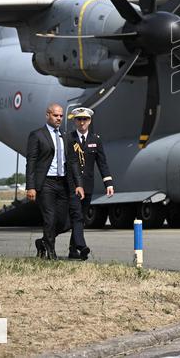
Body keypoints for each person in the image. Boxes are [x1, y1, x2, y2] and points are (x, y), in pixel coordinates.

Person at [26, 103, 84, 259]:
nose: (59, 118)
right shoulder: (37, 135)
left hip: (63, 183)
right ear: (47, 115)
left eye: (61, 116)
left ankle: (43, 242)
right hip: (46, 183)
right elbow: (31, 161)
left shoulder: (66, 136)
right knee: (50, 218)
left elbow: (72, 161)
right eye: (55, 115)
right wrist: (30, 187)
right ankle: (51, 252)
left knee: (65, 221)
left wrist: (79, 185)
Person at [66, 106, 114, 260]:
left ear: (90, 121)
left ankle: (73, 250)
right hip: (72, 184)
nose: (82, 122)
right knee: (77, 216)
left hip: (87, 185)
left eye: (85, 119)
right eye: (79, 119)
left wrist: (109, 183)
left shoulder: (96, 140)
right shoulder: (68, 139)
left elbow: (102, 163)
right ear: (75, 121)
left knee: (81, 217)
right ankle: (82, 246)